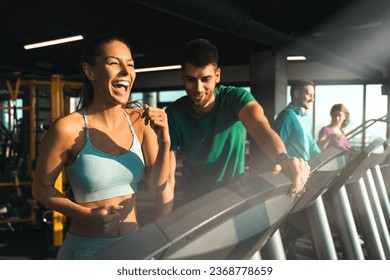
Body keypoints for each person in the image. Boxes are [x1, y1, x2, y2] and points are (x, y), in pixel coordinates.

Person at [31, 34, 170, 259]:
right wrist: (85, 215)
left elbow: (157, 186)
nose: (125, 71)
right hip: (86, 251)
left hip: (133, 245)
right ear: (90, 71)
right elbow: (40, 188)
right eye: (114, 63)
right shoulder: (66, 129)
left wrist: (165, 140)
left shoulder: (139, 122)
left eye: (130, 65)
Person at [158, 38, 310, 216]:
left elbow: (261, 128)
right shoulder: (174, 114)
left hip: (234, 201)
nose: (198, 88)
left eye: (205, 79)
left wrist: (282, 157)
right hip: (194, 206)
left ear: (217, 76)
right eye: (190, 79)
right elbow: (167, 178)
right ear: (182, 75)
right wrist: (163, 224)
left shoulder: (235, 98)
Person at [273, 80, 321, 161]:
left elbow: (312, 144)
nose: (312, 99)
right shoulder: (286, 116)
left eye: (313, 96)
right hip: (289, 171)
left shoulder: (306, 118)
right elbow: (277, 146)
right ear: (297, 94)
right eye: (309, 95)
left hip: (305, 170)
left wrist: (322, 159)